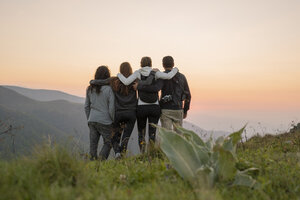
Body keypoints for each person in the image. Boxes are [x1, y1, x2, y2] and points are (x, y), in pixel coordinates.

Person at [117, 57, 178, 153]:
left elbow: (126, 82)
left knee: (141, 132)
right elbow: (169, 76)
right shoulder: (155, 72)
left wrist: (119, 75)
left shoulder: (138, 73)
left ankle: (142, 152)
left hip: (141, 107)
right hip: (154, 107)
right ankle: (151, 153)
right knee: (152, 133)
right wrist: (175, 69)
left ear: (141, 63)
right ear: (150, 63)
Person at [91, 62, 137, 158]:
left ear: (120, 70)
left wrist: (92, 82)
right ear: (130, 70)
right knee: (126, 135)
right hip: (131, 112)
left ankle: (117, 152)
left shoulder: (114, 80)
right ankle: (122, 155)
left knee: (115, 135)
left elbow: (101, 82)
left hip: (118, 113)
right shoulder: (135, 80)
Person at [137, 56, 191, 132]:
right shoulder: (182, 77)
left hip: (165, 109)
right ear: (173, 64)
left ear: (163, 65)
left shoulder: (161, 76)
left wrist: (139, 87)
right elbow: (188, 95)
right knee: (179, 136)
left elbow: (155, 88)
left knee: (167, 136)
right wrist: (185, 110)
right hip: (178, 109)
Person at [84, 66, 115, 160]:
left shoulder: (89, 88)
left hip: (92, 119)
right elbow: (111, 108)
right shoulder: (109, 89)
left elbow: (86, 106)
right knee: (109, 142)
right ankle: (101, 161)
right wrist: (113, 121)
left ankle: (92, 163)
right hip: (105, 120)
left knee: (93, 145)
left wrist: (89, 119)